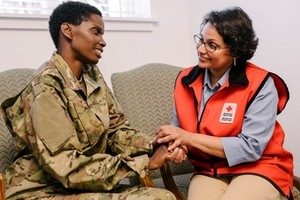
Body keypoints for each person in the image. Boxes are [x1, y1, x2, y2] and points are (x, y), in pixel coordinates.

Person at [1, 1, 182, 200]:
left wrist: (154, 144)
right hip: (42, 190)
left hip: (85, 186)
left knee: (163, 197)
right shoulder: (44, 88)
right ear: (68, 30)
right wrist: (145, 163)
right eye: (96, 31)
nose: (103, 41)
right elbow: (65, 167)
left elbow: (115, 131)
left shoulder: (92, 76)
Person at [156, 7, 293, 200]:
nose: (201, 49)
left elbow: (250, 147)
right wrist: (178, 145)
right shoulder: (185, 79)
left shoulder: (262, 83)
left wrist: (187, 138)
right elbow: (179, 130)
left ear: (236, 50)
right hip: (208, 170)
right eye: (201, 40)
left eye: (212, 45)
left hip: (260, 167)